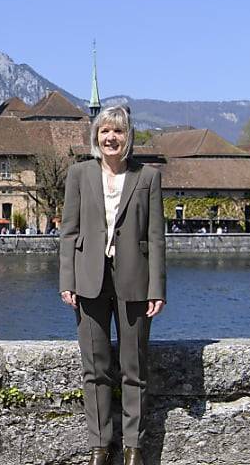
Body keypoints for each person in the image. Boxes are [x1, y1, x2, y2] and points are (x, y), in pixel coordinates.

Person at [59, 105, 165, 465]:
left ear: (128, 136)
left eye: (118, 132)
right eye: (105, 131)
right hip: (89, 279)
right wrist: (66, 280)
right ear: (96, 136)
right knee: (96, 368)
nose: (111, 138)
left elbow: (156, 237)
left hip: (135, 279)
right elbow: (69, 231)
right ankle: (100, 446)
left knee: (134, 368)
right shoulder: (79, 174)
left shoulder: (147, 177)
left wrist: (157, 288)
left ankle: (133, 445)